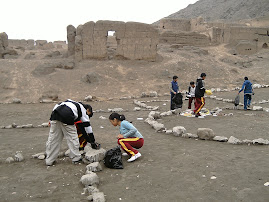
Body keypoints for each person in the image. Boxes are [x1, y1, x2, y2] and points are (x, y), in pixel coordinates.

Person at [45, 99, 99, 166]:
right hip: (67, 116)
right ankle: (76, 158)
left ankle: (49, 160)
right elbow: (88, 128)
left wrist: (50, 120)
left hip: (55, 116)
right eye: (89, 115)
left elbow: (56, 106)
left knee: (53, 139)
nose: (88, 117)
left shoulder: (69, 102)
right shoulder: (83, 109)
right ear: (88, 110)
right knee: (72, 137)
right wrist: (92, 141)